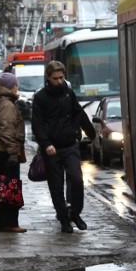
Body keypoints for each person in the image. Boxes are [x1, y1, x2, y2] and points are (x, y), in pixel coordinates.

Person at [31, 60, 95, 233]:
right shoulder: (40, 97)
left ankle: (75, 212)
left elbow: (78, 112)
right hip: (52, 149)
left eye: (61, 77)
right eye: (55, 78)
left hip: (70, 145)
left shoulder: (68, 93)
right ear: (48, 78)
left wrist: (88, 132)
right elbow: (36, 124)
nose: (59, 81)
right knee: (56, 186)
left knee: (76, 179)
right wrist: (46, 144)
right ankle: (63, 219)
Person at [0, 72, 26, 233]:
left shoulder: (1, 102)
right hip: (6, 152)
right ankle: (9, 223)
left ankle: (5, 223)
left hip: (0, 150)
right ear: (11, 87)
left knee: (4, 186)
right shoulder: (8, 105)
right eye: (16, 85)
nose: (17, 88)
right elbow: (7, 130)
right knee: (11, 187)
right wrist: (12, 152)